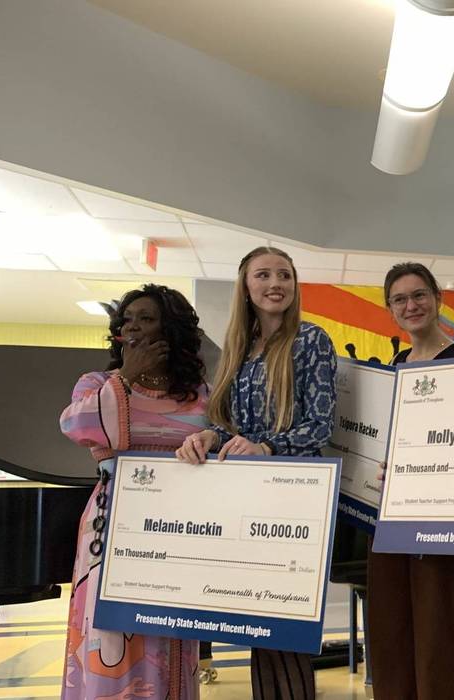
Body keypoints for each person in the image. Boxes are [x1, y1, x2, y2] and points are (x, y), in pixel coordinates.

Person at [175, 246, 337, 700]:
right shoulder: (238, 351)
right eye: (263, 275)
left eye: (284, 274)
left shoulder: (311, 339)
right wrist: (208, 437)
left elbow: (319, 425)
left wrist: (266, 446)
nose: (275, 284)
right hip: (246, 500)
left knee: (284, 632)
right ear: (245, 287)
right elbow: (226, 423)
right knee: (258, 629)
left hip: (292, 500)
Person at [59, 284, 209, 700]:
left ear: (171, 328)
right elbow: (75, 425)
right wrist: (126, 377)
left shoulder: (200, 393)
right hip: (114, 525)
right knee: (111, 633)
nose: (135, 327)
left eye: (147, 318)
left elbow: (218, 443)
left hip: (179, 526)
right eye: (128, 320)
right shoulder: (95, 383)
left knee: (171, 633)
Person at [365, 262, 454, 700]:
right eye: (400, 299)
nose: (410, 305)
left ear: (437, 299)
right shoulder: (394, 365)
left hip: (441, 517)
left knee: (440, 634)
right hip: (390, 516)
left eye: (419, 295)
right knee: (392, 633)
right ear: (390, 309)